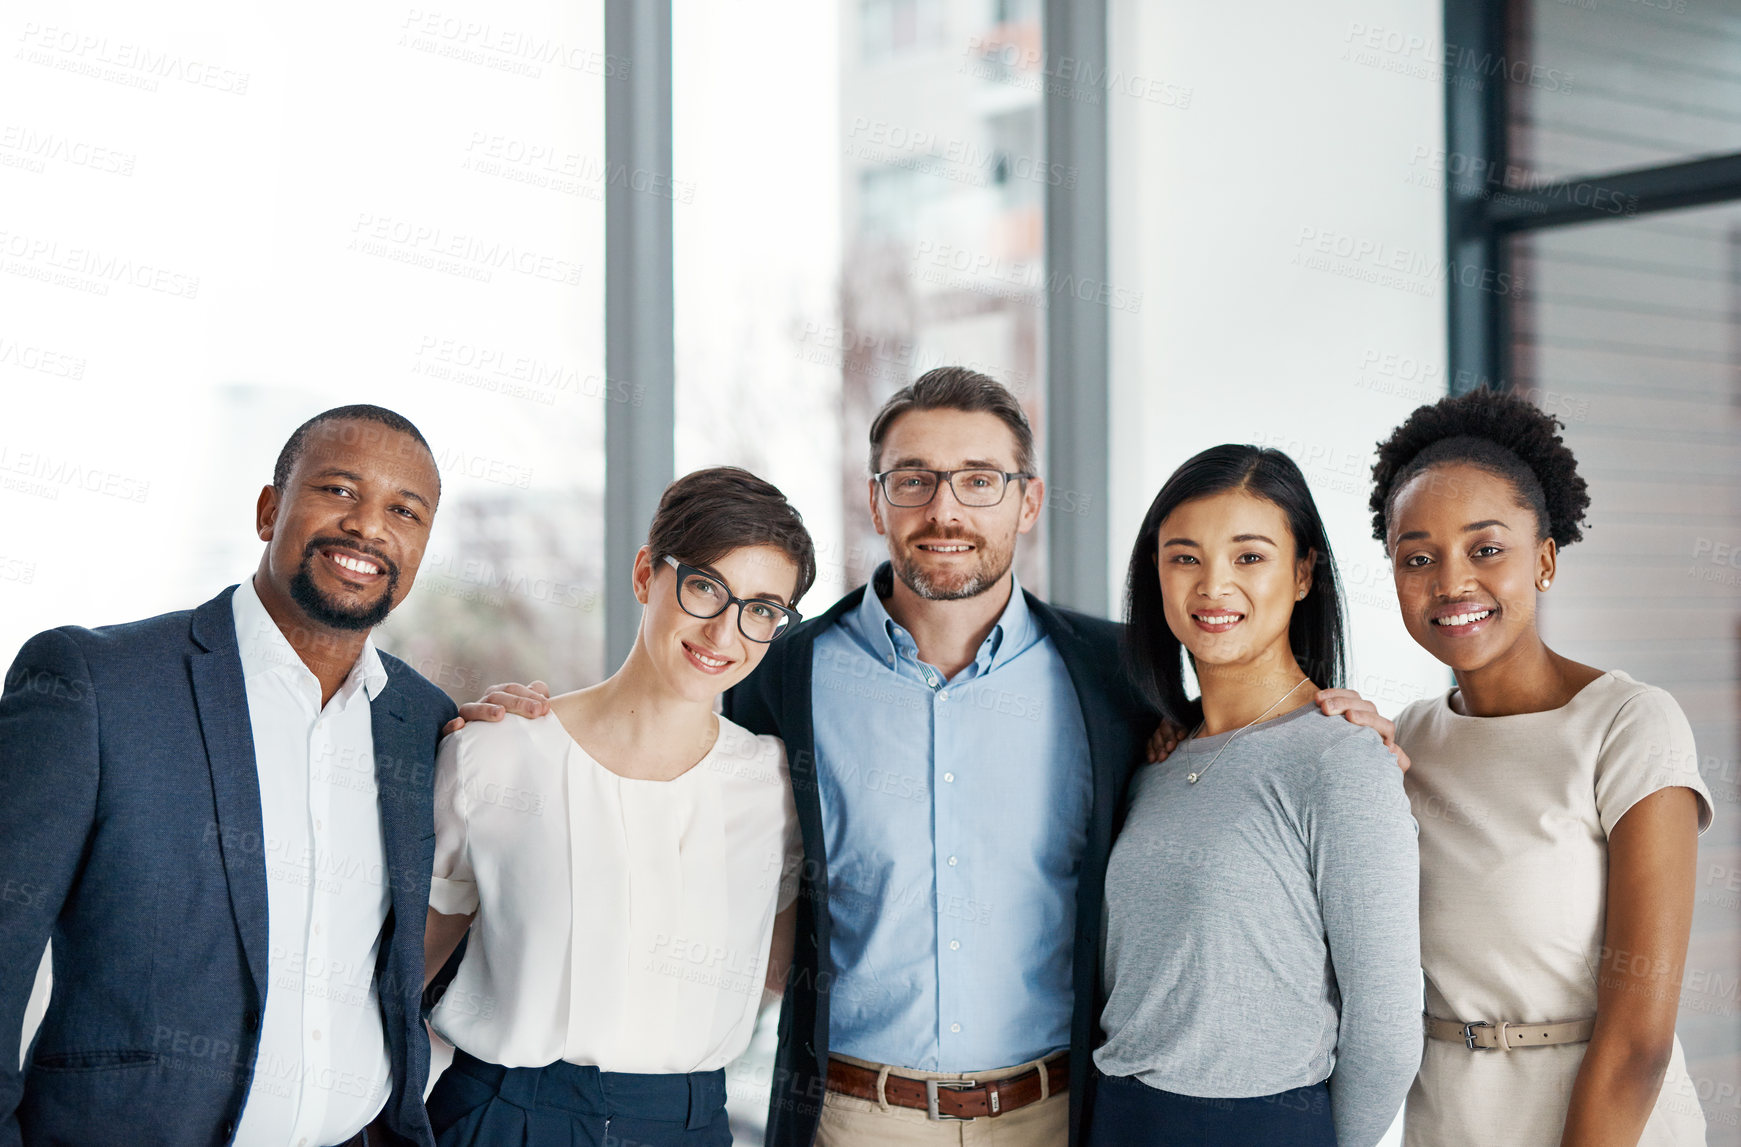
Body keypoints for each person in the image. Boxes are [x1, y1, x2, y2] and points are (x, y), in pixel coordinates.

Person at [463, 368, 1412, 1147]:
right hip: (850, 1115)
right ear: (874, 498)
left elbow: (1239, 746)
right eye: (911, 477)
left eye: (979, 478)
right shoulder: (783, 672)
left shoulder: (1116, 681)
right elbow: (663, 712)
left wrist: (1338, 720)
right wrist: (534, 718)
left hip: (1055, 1114)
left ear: (1027, 499)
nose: (944, 505)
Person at [0, 405, 458, 1147]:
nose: (369, 527)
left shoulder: (423, 721)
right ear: (269, 509)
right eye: (339, 490)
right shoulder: (95, 685)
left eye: (404, 510)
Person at [418, 467, 815, 1146]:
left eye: (761, 609)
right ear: (644, 575)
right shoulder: (497, 754)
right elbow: (403, 969)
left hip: (687, 1124)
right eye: (704, 588)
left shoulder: (776, 788)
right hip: (502, 1116)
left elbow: (790, 972)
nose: (725, 633)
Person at [1370, 387, 1712, 1146]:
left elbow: (1639, 1040)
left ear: (1545, 559)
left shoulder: (1628, 725)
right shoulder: (1405, 741)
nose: (1452, 581)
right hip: (1447, 1124)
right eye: (1416, 557)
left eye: (1485, 548)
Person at [1092, 445, 1420, 1147]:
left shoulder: (1341, 757)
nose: (1213, 585)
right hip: (1119, 1116)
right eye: (1184, 557)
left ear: (1302, 572)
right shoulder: (1152, 754)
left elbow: (1387, 1029)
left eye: (1248, 557)